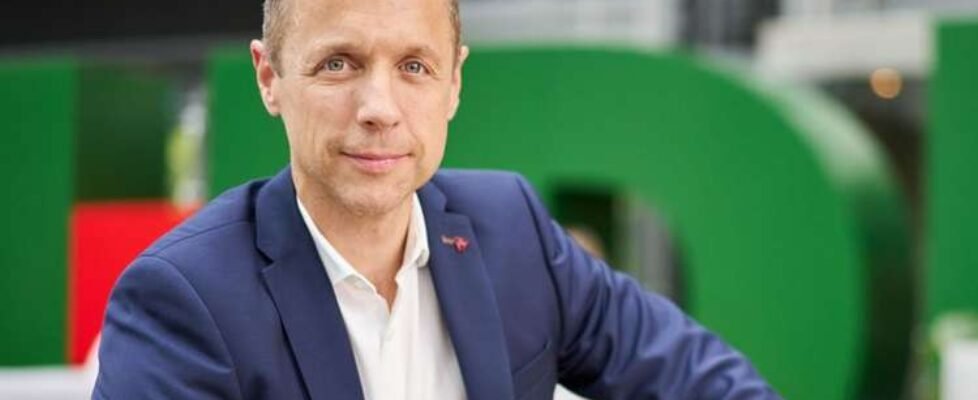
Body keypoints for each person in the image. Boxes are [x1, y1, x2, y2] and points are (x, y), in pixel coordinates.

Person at [93, 0, 779, 398]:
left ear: (454, 83)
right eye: (340, 64)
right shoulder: (183, 298)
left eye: (414, 67)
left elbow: (698, 379)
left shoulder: (511, 229)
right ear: (269, 78)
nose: (379, 108)